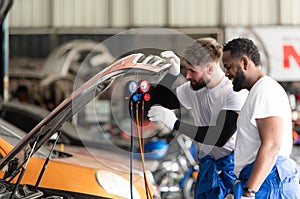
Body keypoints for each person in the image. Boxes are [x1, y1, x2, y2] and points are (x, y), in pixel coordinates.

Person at [147, 37, 248, 198]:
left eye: (192, 70)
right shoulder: (193, 89)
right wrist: (171, 75)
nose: (187, 76)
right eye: (185, 69)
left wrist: (175, 123)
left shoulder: (234, 91)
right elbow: (158, 101)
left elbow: (219, 136)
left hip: (231, 169)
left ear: (209, 69)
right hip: (207, 165)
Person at [222, 38, 300, 199]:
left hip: (269, 181)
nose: (226, 73)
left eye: (229, 67)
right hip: (262, 179)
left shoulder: (265, 91)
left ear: (244, 62)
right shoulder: (257, 92)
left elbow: (272, 145)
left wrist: (249, 192)